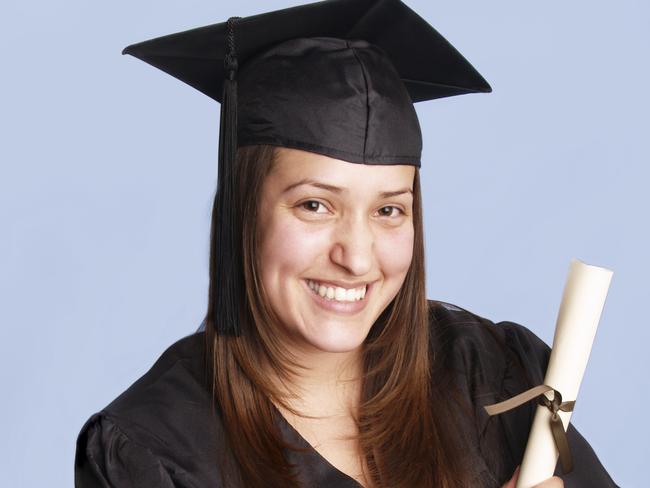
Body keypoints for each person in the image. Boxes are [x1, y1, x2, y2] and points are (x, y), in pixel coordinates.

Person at [74, 0, 619, 486]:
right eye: (315, 205)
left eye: (388, 210)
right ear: (244, 212)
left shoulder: (491, 376)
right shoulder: (153, 452)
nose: (356, 257)